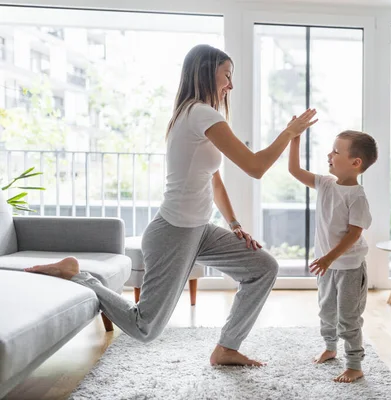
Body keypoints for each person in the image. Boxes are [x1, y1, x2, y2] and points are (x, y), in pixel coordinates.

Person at [24, 44, 318, 367]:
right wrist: (290, 132)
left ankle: (226, 348)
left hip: (200, 231)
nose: (230, 85)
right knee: (144, 327)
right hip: (173, 234)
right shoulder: (200, 114)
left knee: (263, 267)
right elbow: (255, 167)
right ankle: (80, 275)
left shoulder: (197, 115)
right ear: (206, 73)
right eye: (226, 76)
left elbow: (214, 180)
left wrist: (234, 224)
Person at [288, 129, 377, 383]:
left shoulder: (357, 196)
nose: (330, 154)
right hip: (327, 267)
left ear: (355, 163)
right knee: (326, 310)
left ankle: (354, 365)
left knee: (348, 316)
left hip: (349, 267)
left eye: (336, 151)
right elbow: (294, 170)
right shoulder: (325, 183)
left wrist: (328, 257)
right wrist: (295, 138)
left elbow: (353, 234)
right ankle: (330, 346)